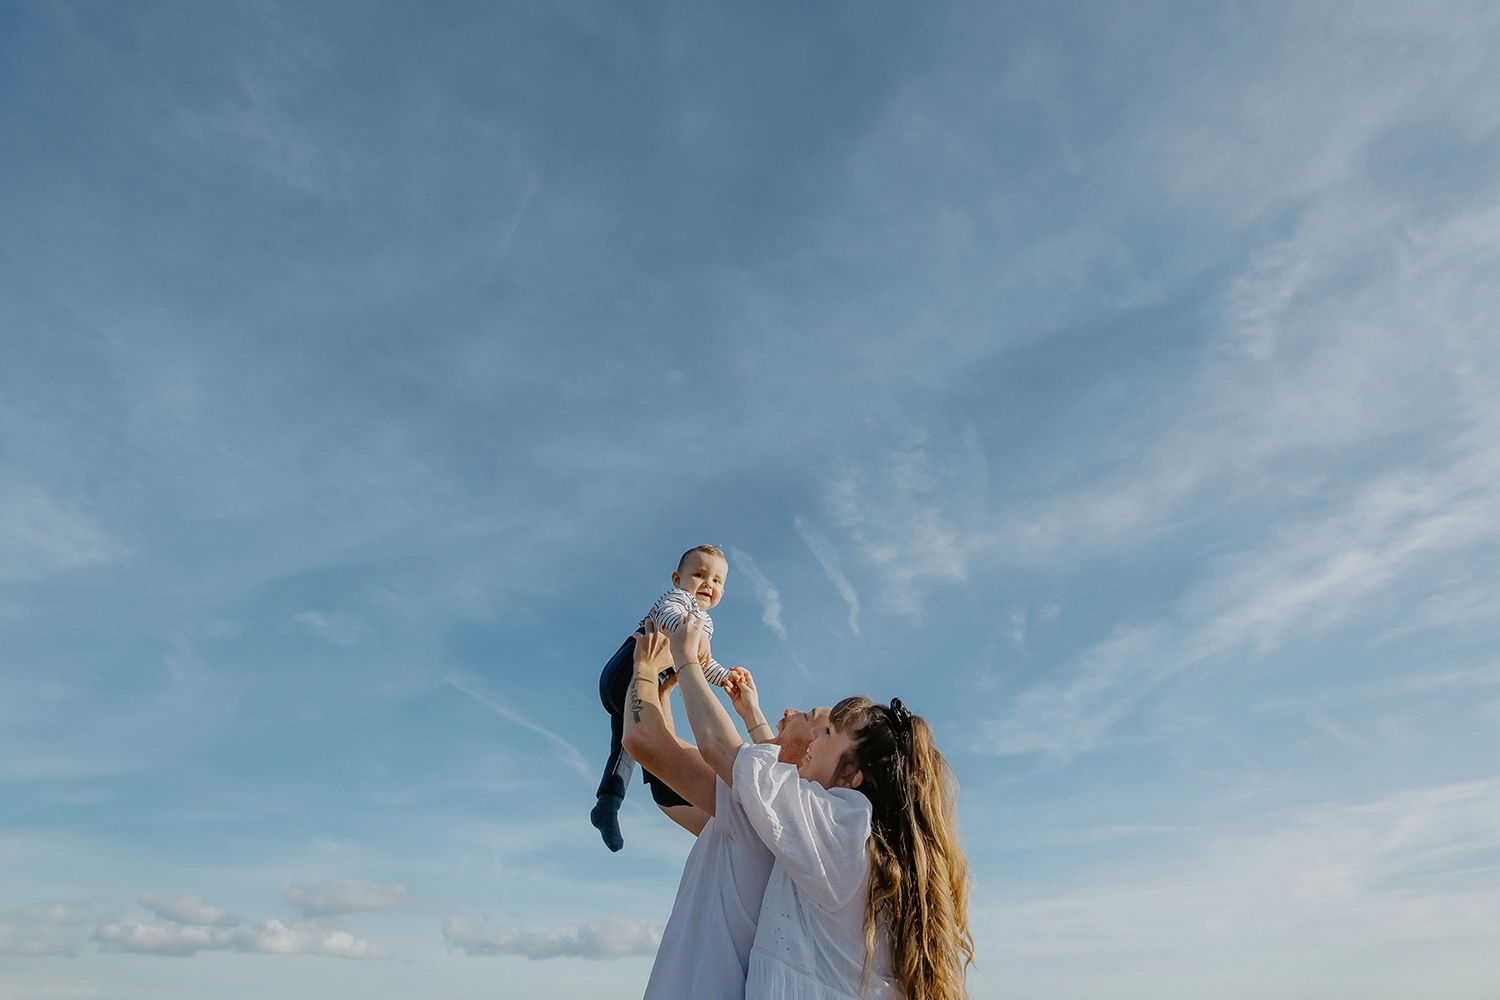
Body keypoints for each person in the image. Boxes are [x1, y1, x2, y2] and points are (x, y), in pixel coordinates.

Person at [670, 614, 975, 1000]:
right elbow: (778, 798)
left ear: (851, 777)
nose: (815, 735)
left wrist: (685, 659)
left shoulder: (842, 828)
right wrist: (752, 715)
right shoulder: (859, 841)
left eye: (829, 733)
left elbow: (726, 755)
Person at [622, 621, 821, 1000]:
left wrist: (645, 668)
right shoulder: (775, 823)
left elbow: (642, 738)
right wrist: (665, 695)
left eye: (807, 716)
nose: (791, 709)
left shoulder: (752, 812)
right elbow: (672, 795)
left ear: (811, 754)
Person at [592, 544, 734, 852]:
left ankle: (609, 802)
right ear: (677, 579)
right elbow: (669, 620)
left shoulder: (705, 622)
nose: (708, 584)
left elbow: (703, 664)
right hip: (630, 666)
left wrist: (725, 679)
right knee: (645, 740)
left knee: (626, 746)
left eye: (717, 580)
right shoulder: (679, 600)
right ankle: (663, 785)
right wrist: (690, 634)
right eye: (699, 574)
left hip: (649, 681)